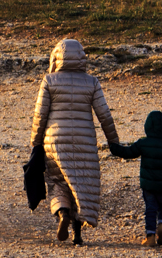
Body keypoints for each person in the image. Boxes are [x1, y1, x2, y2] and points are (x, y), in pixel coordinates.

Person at [28, 38, 120, 246]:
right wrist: (113, 141)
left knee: (58, 182)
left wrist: (35, 142)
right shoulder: (91, 82)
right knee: (80, 183)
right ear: (81, 58)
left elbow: (40, 115)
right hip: (84, 141)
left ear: (56, 57)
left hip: (55, 142)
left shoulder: (49, 81)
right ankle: (78, 233)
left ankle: (62, 213)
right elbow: (104, 114)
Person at [110, 111, 162, 246]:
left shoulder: (143, 143)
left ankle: (150, 235)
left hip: (148, 185)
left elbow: (128, 153)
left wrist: (113, 147)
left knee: (150, 208)